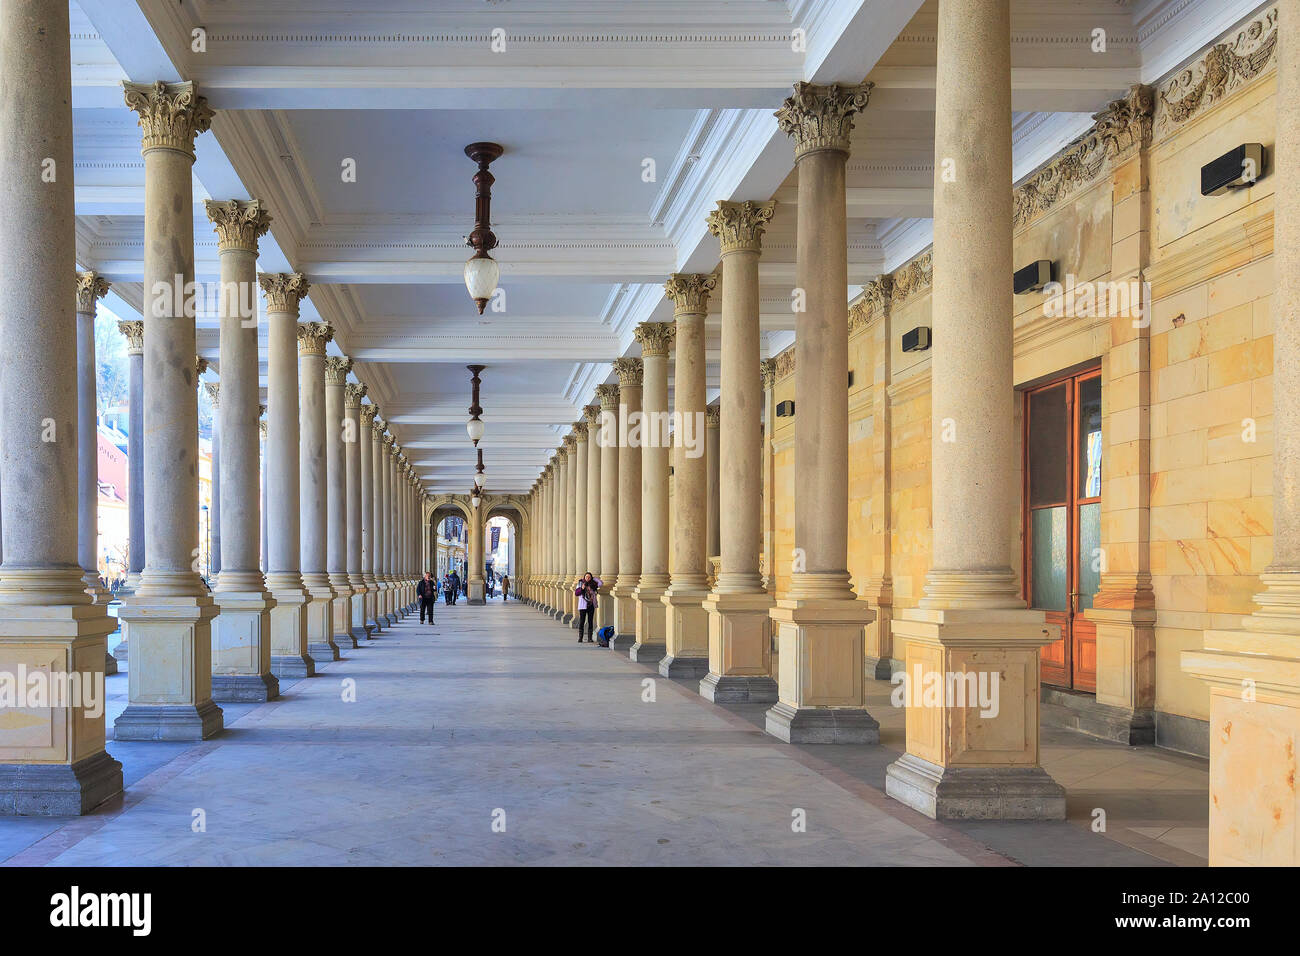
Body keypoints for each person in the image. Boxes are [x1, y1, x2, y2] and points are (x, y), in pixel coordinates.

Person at [573, 572, 602, 643]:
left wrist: (594, 578)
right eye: (586, 577)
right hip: (583, 606)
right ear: (584, 577)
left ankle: (590, 638)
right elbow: (576, 593)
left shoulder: (593, 584)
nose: (588, 578)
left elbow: (600, 583)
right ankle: (580, 637)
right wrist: (582, 588)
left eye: (589, 577)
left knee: (590, 621)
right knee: (582, 621)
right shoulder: (580, 583)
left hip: (591, 605)